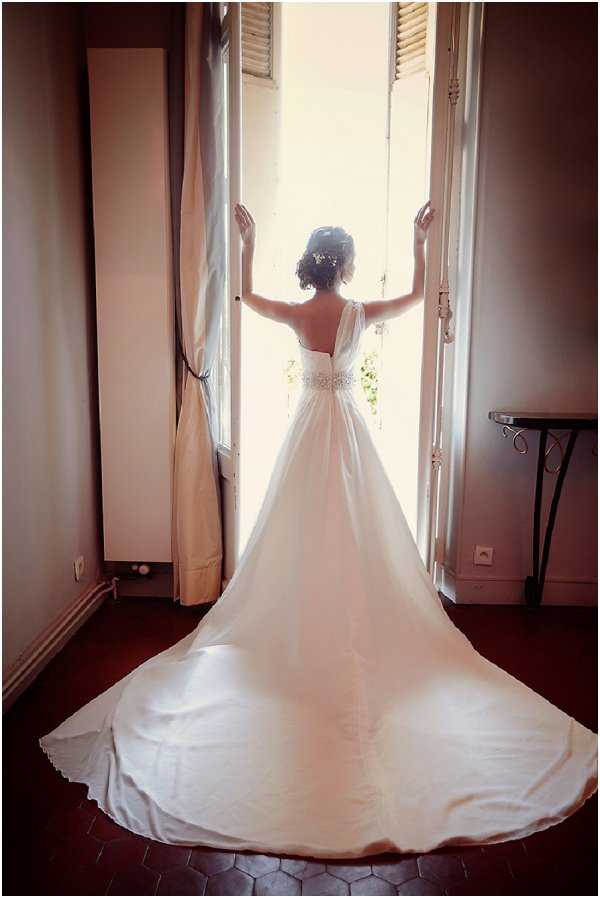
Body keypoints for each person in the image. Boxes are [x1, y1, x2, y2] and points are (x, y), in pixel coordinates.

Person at [39, 203, 597, 859]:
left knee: (296, 535)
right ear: (346, 263)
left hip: (309, 433)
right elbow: (418, 296)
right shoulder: (357, 313)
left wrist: (247, 240)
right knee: (358, 532)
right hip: (348, 434)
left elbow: (245, 295)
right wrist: (421, 240)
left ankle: (300, 625)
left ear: (312, 265)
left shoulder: (303, 315)